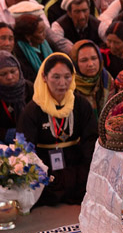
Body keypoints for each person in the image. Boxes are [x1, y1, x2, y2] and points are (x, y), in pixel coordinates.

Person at [17, 53, 97, 205]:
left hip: (75, 160)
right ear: (44, 77)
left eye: (67, 77)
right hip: (45, 161)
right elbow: (26, 147)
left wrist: (90, 167)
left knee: (89, 179)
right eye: (56, 77)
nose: (62, 83)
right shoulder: (32, 110)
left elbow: (90, 139)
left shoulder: (81, 104)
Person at [69, 40, 114, 118]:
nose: (90, 64)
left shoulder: (106, 79)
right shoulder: (69, 84)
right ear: (75, 63)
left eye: (94, 58)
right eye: (84, 60)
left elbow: (112, 111)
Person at [13, 14, 53, 82]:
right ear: (28, 36)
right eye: (40, 32)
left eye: (44, 30)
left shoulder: (47, 43)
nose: (44, 34)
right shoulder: (18, 51)